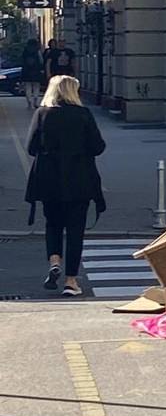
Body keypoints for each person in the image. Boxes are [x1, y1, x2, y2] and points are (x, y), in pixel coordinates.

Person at [25, 75, 106, 296]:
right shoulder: (83, 115)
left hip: (49, 180)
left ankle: (54, 261)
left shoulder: (42, 113)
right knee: (75, 231)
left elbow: (31, 148)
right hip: (79, 180)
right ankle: (71, 281)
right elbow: (98, 146)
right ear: (73, 91)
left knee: (52, 224)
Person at [20, 39, 44, 109]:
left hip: (27, 72)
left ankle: (29, 102)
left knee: (28, 88)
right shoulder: (37, 51)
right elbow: (41, 61)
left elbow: (23, 61)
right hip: (36, 71)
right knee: (36, 87)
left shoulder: (25, 51)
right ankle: (35, 101)